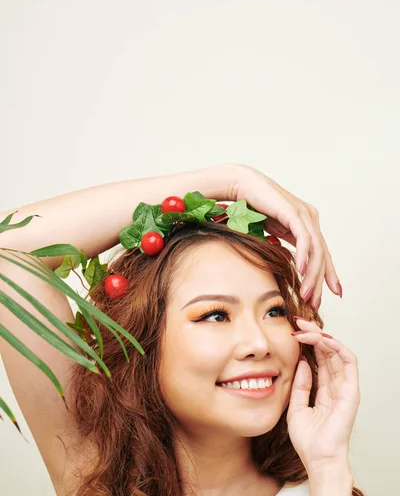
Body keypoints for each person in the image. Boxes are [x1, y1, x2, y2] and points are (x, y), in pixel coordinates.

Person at [0, 163, 363, 496]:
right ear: (146, 341)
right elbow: (8, 250)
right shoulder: (91, 472)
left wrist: (329, 470)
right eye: (216, 315)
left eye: (274, 311)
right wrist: (231, 182)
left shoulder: (326, 483)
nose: (259, 342)